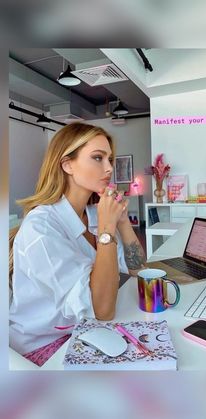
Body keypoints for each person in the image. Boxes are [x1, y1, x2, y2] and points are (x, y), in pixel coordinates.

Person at [9, 122, 146, 366]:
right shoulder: (41, 228)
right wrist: (106, 230)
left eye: (110, 159)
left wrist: (122, 222)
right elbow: (102, 310)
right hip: (47, 343)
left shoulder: (93, 214)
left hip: (88, 329)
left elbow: (138, 271)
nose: (109, 168)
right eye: (98, 158)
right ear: (67, 164)